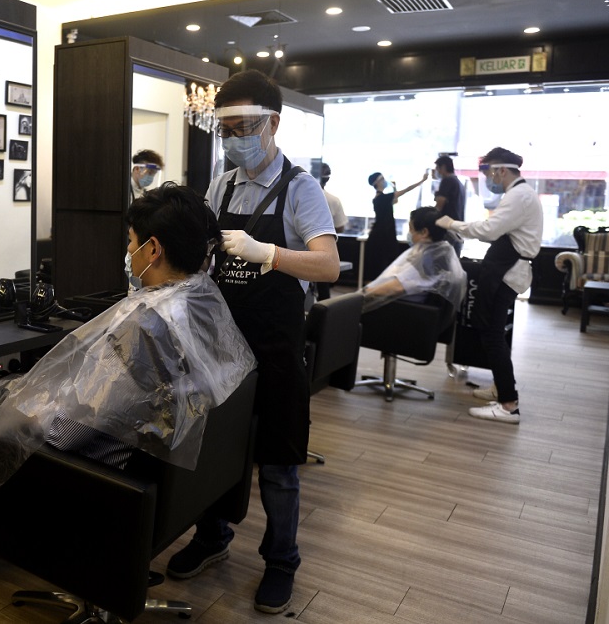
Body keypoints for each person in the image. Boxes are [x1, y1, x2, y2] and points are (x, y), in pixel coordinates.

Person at [0, 184, 256, 606]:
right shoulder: (201, 302)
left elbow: (71, 433)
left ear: (153, 249)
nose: (128, 252)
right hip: (155, 473)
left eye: (131, 242)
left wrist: (0, 413)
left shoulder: (145, 325)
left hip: (97, 475)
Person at [165, 69, 339, 615]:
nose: (235, 137)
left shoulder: (300, 188)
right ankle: (212, 535)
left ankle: (281, 560)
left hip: (276, 350)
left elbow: (329, 266)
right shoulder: (222, 185)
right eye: (227, 128)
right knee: (215, 450)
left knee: (279, 467)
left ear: (273, 124)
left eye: (245, 126)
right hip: (220, 349)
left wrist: (269, 254)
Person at [434, 147, 542, 424]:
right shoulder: (520, 194)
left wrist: (452, 223)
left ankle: (508, 404)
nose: (487, 177)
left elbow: (489, 230)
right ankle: (501, 388)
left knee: (492, 334)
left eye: (488, 171)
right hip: (504, 270)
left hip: (507, 273)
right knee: (493, 333)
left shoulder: (518, 195)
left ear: (501, 170)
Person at [361, 207, 466, 313]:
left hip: (403, 311)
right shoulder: (439, 253)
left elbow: (396, 288)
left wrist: (363, 293)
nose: (409, 233)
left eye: (411, 228)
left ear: (424, 232)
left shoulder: (427, 259)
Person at [365, 171, 429, 282]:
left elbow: (395, 201)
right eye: (382, 179)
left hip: (382, 233)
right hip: (383, 234)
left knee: (381, 263)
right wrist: (422, 180)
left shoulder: (380, 198)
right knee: (383, 263)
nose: (385, 181)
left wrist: (394, 188)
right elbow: (406, 190)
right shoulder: (382, 198)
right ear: (378, 182)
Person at [316, 162, 347, 300]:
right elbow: (340, 227)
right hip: (324, 250)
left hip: (298, 249)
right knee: (323, 288)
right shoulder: (333, 200)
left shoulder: (297, 196)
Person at [431, 155, 466, 255]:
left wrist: (430, 219)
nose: (437, 171)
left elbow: (440, 205)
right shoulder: (458, 182)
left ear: (443, 167)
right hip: (456, 229)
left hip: (447, 229)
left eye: (437, 168)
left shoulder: (447, 180)